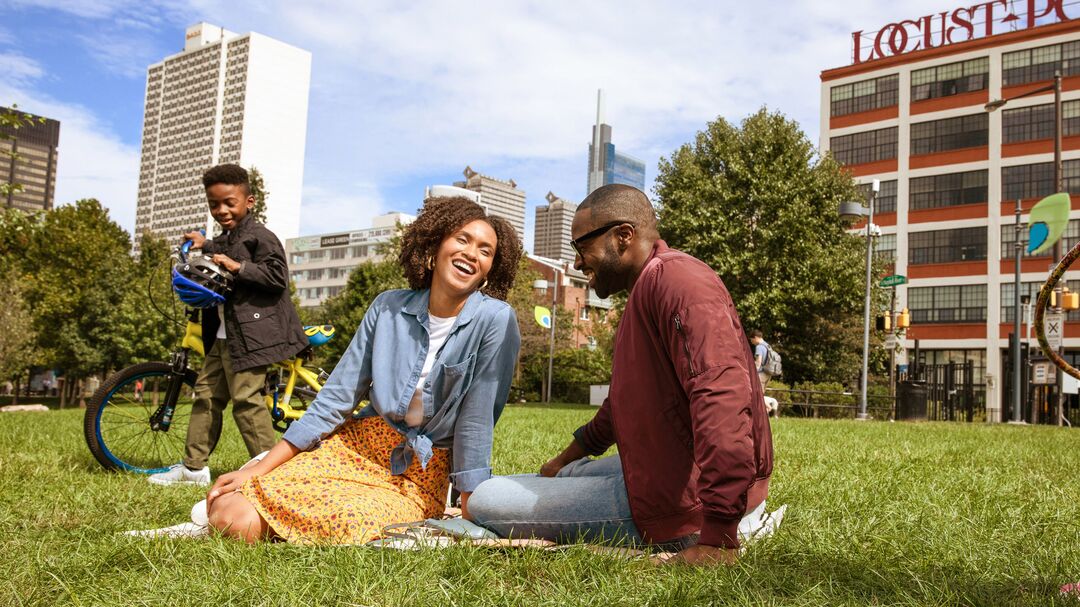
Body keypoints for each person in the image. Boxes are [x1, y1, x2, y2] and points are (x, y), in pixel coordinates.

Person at [468, 184, 774, 566]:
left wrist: (719, 535)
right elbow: (621, 405)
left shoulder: (680, 283)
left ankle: (732, 525)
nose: (578, 263)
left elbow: (722, 400)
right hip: (670, 470)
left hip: (692, 505)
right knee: (551, 478)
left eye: (581, 247)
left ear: (623, 236)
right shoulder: (644, 292)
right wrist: (564, 460)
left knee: (485, 498)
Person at [203, 196, 522, 544]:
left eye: (485, 250)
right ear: (436, 245)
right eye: (462, 239)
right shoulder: (387, 306)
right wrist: (261, 469)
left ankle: (290, 519)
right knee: (231, 515)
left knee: (347, 522)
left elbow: (476, 420)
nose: (472, 253)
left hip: (418, 474)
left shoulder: (495, 320)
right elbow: (336, 398)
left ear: (491, 268)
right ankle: (272, 481)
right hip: (358, 446)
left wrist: (468, 511)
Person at [148, 164, 310, 487]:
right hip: (224, 337)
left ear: (249, 201)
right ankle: (194, 469)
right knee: (206, 396)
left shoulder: (261, 237)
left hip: (252, 337)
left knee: (246, 402)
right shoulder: (228, 239)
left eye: (229, 203)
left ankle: (272, 475)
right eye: (213, 204)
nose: (220, 210)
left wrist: (238, 267)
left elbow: (277, 277)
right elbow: (222, 249)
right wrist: (204, 244)